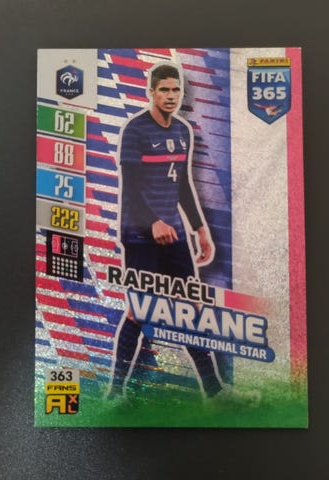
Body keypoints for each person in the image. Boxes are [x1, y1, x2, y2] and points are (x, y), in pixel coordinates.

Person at [107, 63, 224, 401]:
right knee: (140, 310)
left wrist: (199, 228)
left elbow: (183, 185)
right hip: (139, 234)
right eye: (164, 90)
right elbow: (130, 185)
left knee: (190, 307)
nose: (171, 96)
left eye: (176, 90)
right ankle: (116, 394)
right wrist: (153, 221)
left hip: (175, 234)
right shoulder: (135, 130)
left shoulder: (183, 131)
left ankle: (215, 393)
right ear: (151, 92)